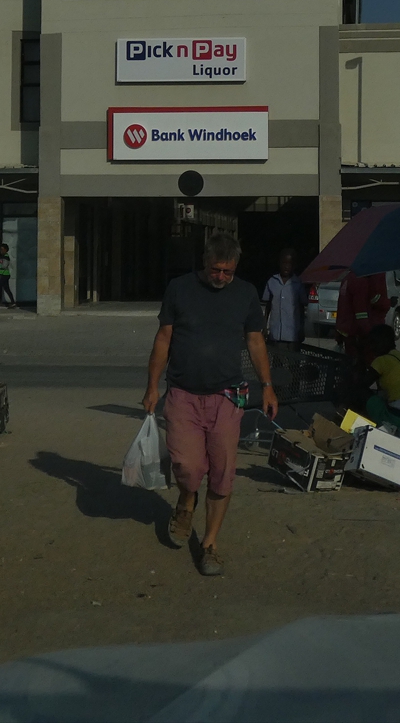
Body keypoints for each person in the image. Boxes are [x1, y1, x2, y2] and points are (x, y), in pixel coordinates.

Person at [142, 234, 278, 578]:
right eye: (216, 270)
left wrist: (268, 387)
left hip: (228, 396)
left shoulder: (246, 293)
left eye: (228, 271)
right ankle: (187, 498)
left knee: (223, 473)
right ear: (205, 264)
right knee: (187, 466)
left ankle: (210, 545)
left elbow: (255, 342)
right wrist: (151, 387)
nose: (221, 277)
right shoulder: (179, 289)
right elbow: (163, 338)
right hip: (183, 393)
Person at [261, 248, 308, 400]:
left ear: (294, 265)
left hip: (292, 332)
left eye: (290, 263)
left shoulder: (298, 283)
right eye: (284, 263)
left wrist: (301, 328)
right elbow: (267, 305)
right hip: (276, 332)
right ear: (279, 264)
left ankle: (294, 391)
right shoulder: (272, 282)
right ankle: (278, 391)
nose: (286, 266)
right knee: (277, 364)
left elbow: (301, 307)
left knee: (294, 364)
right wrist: (264, 326)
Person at [334, 270, 395, 373]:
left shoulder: (348, 278)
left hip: (346, 331)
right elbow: (361, 313)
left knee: (352, 366)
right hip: (355, 333)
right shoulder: (361, 281)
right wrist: (372, 335)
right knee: (359, 367)